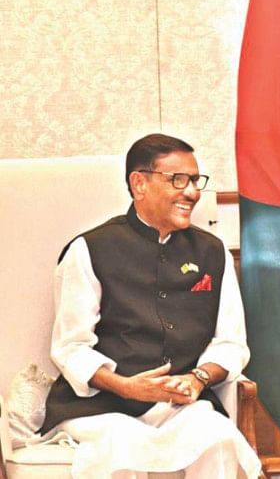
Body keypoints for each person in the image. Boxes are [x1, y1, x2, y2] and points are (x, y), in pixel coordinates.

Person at [38, 134, 261, 478]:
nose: (192, 192)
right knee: (122, 444)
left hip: (180, 405)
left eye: (195, 180)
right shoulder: (89, 249)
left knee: (217, 436)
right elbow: (71, 347)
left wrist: (198, 378)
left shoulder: (212, 252)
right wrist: (125, 386)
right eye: (178, 180)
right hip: (102, 407)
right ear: (139, 183)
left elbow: (231, 341)